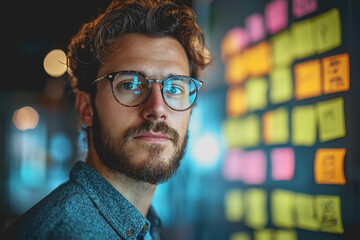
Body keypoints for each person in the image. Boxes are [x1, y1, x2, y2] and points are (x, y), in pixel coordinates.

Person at [1, 0, 211, 239]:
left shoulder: (143, 226)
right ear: (86, 108)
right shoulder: (64, 234)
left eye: (175, 88)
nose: (157, 108)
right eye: (130, 84)